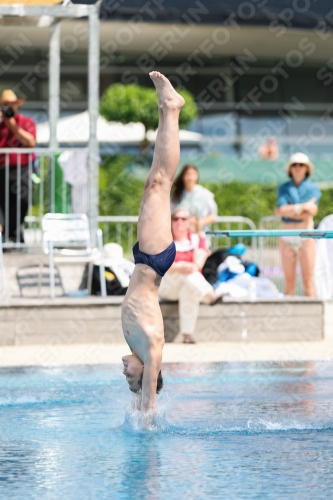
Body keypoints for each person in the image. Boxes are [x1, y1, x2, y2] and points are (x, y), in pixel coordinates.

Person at [121, 72, 185, 417]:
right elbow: (150, 402)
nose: (125, 371)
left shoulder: (136, 346)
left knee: (154, 182)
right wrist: (145, 404)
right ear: (146, 374)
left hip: (146, 260)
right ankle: (170, 108)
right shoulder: (152, 349)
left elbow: (140, 390)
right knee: (161, 182)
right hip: (154, 258)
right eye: (131, 377)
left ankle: (167, 108)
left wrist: (135, 399)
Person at [158, 208, 225, 344]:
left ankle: (187, 335)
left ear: (189, 222)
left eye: (183, 219)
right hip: (167, 286)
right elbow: (161, 266)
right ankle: (210, 294)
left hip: (189, 283)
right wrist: (179, 266)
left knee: (188, 288)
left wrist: (187, 267)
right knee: (184, 273)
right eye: (175, 218)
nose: (179, 222)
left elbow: (198, 264)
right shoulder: (164, 240)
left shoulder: (197, 239)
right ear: (170, 222)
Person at [274, 152, 321, 297]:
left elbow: (312, 211)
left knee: (308, 281)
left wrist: (290, 210)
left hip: (306, 237)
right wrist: (302, 207)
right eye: (294, 164)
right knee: (289, 281)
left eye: (301, 165)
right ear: (290, 168)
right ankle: (290, 318)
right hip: (287, 237)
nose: (298, 167)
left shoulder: (313, 188)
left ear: (307, 168)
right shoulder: (284, 188)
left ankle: (312, 317)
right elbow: (280, 210)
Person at [0, 89, 36, 243]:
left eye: (11, 105)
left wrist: (12, 125)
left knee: (23, 201)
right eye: (5, 105)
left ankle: (12, 234)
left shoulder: (26, 122)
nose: (9, 108)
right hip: (2, 169)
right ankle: (10, 237)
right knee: (3, 205)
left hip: (22, 168)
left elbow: (31, 142)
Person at [170, 164, 217, 234]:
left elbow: (213, 216)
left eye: (193, 174)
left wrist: (198, 223)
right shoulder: (176, 195)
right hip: (181, 237)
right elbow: (170, 214)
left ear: (197, 176)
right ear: (182, 176)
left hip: (200, 235)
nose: (190, 177)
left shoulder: (205, 194)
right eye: (188, 174)